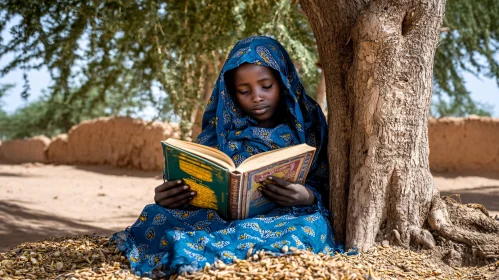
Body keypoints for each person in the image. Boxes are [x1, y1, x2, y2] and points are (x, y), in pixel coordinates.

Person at [112, 35, 343, 278]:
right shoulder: (220, 127)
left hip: (284, 217)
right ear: (231, 93)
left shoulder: (309, 122)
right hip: (216, 219)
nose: (256, 96)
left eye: (266, 86)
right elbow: (197, 183)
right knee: (158, 217)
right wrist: (169, 196)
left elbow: (328, 180)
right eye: (244, 91)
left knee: (309, 227)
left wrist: (307, 196)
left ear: (283, 81)